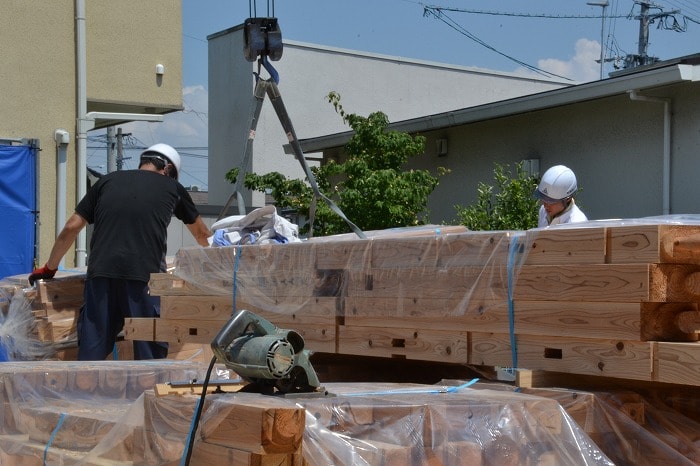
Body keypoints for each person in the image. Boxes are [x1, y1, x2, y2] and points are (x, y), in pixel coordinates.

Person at [28, 143, 211, 360]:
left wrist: (49, 268)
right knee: (149, 356)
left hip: (100, 277)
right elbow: (202, 235)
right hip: (145, 280)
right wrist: (221, 268)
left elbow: (71, 227)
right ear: (168, 170)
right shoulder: (172, 187)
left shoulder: (107, 181)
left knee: (91, 355)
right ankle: (147, 393)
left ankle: (85, 393)